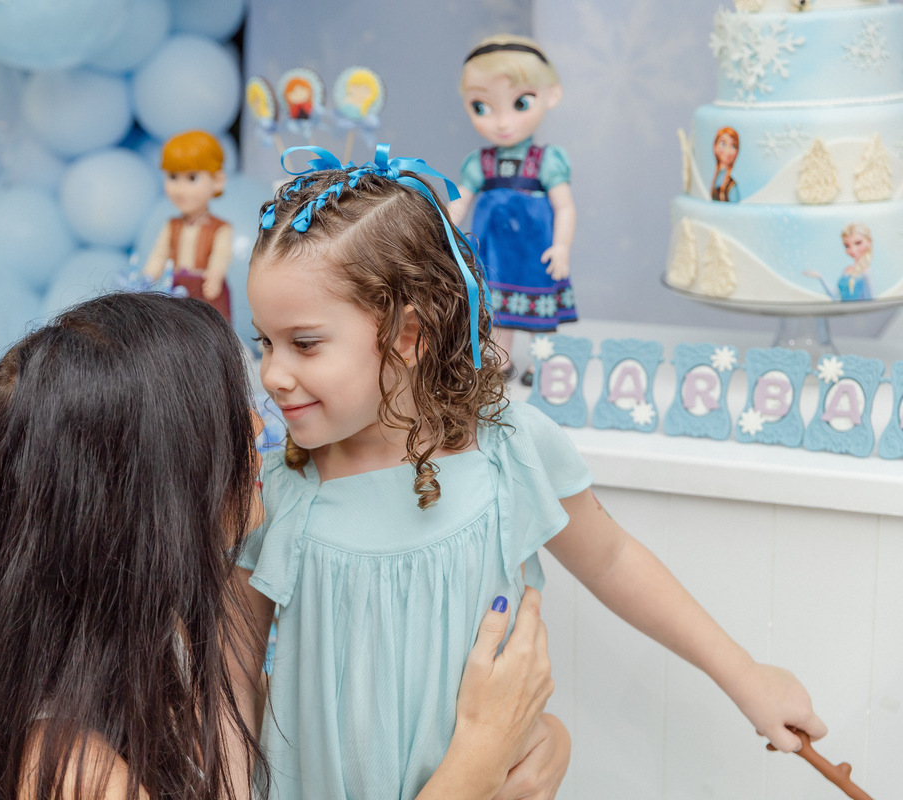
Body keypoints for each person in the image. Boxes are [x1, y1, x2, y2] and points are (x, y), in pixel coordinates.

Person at [242, 145, 827, 800]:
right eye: (264, 342)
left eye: (304, 344)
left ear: (407, 334)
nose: (273, 373)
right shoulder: (273, 493)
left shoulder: (510, 450)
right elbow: (228, 686)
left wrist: (745, 675)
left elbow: (612, 560)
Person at [0, 292, 569, 800]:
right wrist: (477, 759)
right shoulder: (70, 773)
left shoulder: (155, 673)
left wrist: (536, 743)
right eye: (222, 415)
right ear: (154, 485)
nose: (256, 422)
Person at [448, 36, 577, 386]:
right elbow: (460, 199)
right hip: (494, 252)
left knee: (540, 310)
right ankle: (500, 361)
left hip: (536, 251)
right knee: (498, 310)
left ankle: (542, 362)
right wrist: (443, 228)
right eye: (481, 107)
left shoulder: (546, 161)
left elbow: (564, 207)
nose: (502, 122)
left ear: (551, 94)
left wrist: (562, 247)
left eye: (520, 103)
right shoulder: (480, 162)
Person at [143, 131, 234, 322]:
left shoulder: (220, 228)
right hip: (177, 287)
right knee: (179, 326)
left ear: (217, 181)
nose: (180, 189)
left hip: (206, 288)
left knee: (210, 325)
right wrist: (149, 276)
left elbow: (221, 255)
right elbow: (160, 253)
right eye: (173, 177)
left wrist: (215, 275)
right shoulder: (172, 226)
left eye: (192, 178)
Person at [804, 222, 874, 301]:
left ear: (869, 242)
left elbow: (870, 300)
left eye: (858, 243)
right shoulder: (847, 270)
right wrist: (820, 277)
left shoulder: (866, 272)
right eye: (847, 246)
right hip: (842, 308)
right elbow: (834, 296)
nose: (853, 249)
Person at [711, 127, 741, 203]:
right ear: (715, 146)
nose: (728, 150)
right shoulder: (717, 177)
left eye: (733, 146)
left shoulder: (732, 186)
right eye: (723, 144)